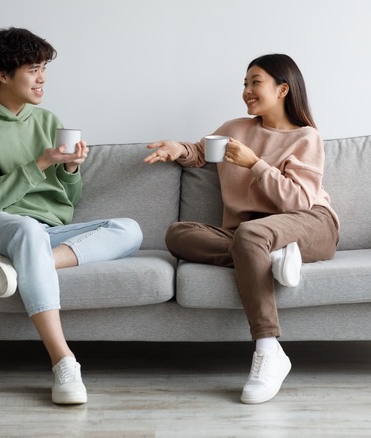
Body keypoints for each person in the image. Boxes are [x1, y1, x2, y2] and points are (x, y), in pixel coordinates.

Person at [0, 27, 143, 405]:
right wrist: (40, 163)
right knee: (24, 230)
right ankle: (63, 360)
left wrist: (69, 171)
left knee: (129, 230)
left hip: (41, 231)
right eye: (33, 69)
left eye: (44, 69)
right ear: (3, 75)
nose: (42, 79)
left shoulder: (47, 120)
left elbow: (67, 201)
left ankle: (22, 267)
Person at [144, 54, 340, 404]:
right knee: (178, 234)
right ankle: (269, 256)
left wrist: (255, 164)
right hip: (255, 232)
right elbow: (200, 152)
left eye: (255, 82)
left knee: (252, 236)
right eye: (245, 84)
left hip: (310, 223)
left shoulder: (306, 137)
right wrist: (178, 149)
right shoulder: (235, 129)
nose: (246, 91)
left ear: (283, 89)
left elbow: (297, 202)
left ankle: (268, 349)